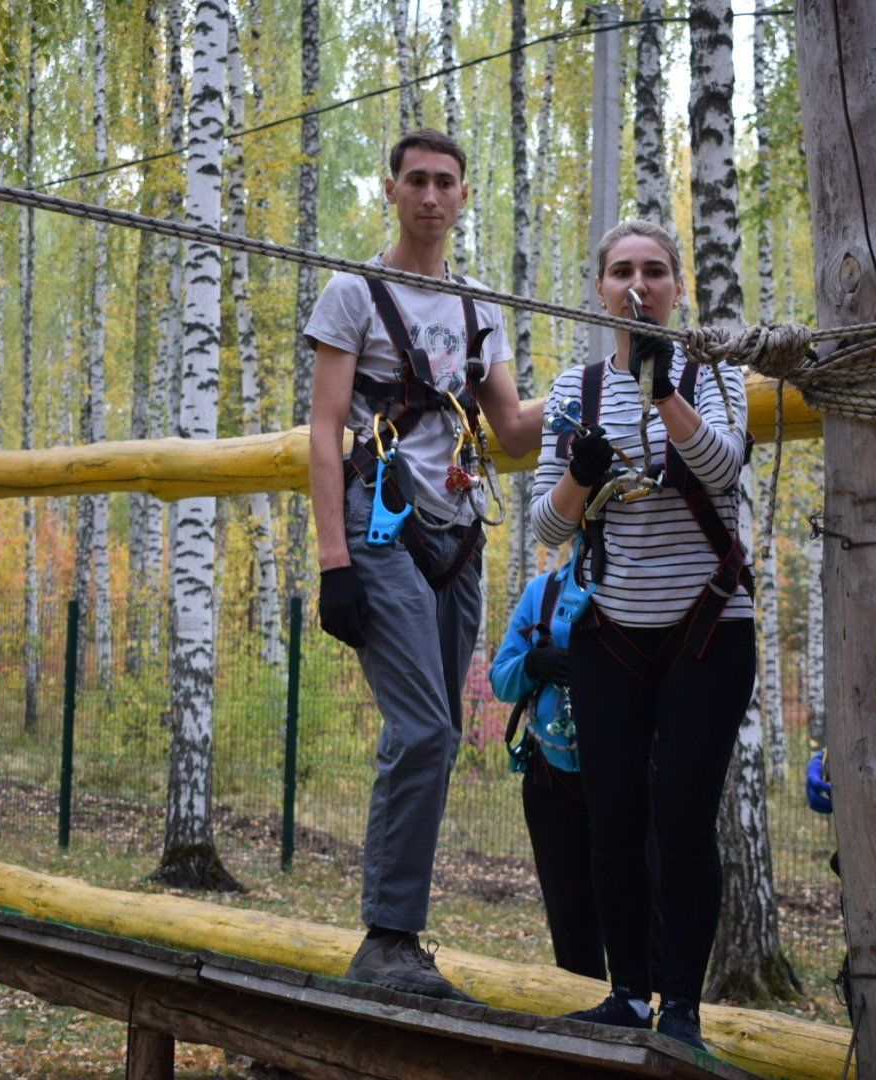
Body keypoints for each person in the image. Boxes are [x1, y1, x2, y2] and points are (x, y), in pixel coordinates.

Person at [306, 129, 541, 1002]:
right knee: (427, 729)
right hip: (378, 529)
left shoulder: (482, 311)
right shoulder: (351, 296)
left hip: (458, 535)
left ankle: (397, 940)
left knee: (437, 743)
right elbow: (325, 431)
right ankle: (388, 939)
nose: (432, 195)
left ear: (464, 196)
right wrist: (334, 559)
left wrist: (610, 388)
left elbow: (511, 429)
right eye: (417, 181)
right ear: (391, 190)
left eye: (447, 182)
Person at [529, 219, 753, 1052]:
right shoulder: (573, 389)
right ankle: (626, 995)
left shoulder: (717, 375)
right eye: (622, 270)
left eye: (655, 271)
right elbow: (549, 527)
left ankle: (683, 1011)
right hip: (613, 630)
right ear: (600, 289)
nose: (639, 284)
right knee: (614, 819)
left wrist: (665, 393)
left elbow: (729, 469)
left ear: (677, 287)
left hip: (709, 627)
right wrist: (583, 474)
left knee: (684, 820)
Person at [489, 554, 605, 981]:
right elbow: (501, 678)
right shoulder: (543, 591)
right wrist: (531, 665)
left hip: (626, 781)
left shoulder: (636, 592)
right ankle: (581, 1030)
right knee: (569, 918)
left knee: (640, 911)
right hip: (550, 782)